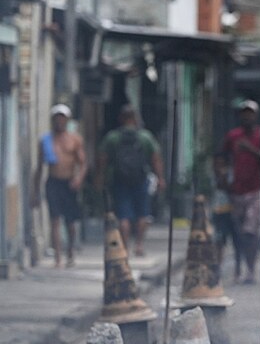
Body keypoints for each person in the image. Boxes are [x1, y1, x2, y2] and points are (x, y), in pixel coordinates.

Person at [97, 105, 164, 258]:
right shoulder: (145, 137)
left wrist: (100, 177)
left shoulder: (113, 137)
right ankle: (139, 245)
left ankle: (125, 246)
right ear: (135, 119)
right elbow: (156, 158)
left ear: (121, 118)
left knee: (123, 216)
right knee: (143, 214)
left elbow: (102, 158)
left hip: (120, 180)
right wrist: (160, 178)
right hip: (141, 179)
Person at [33, 105, 86, 267]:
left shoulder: (74, 140)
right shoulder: (46, 141)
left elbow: (83, 163)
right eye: (57, 118)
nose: (59, 121)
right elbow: (40, 166)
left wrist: (78, 179)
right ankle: (57, 257)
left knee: (70, 222)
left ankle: (70, 251)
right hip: (53, 182)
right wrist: (34, 191)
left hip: (69, 183)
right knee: (54, 219)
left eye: (62, 118)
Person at [217, 101, 260, 284]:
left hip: (255, 190)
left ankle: (251, 268)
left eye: (250, 113)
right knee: (236, 232)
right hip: (235, 191)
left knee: (249, 231)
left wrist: (250, 150)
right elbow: (220, 157)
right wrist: (221, 176)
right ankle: (238, 267)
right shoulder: (233, 136)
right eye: (244, 113)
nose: (247, 117)